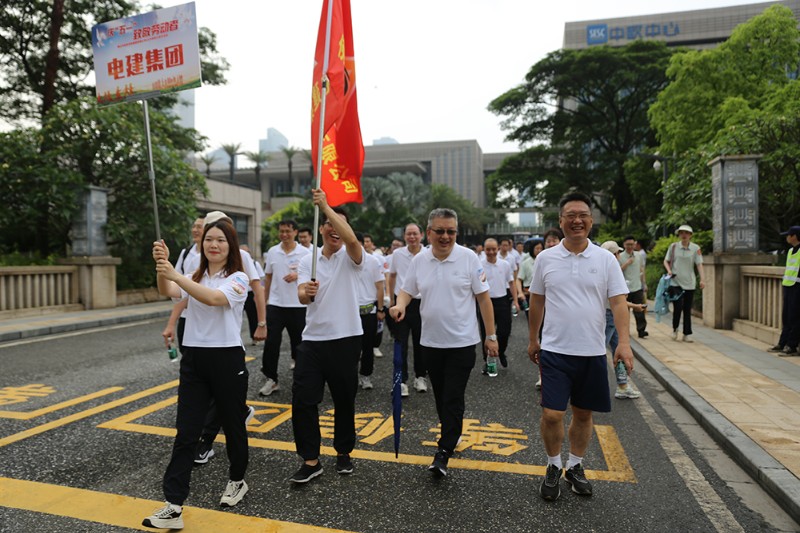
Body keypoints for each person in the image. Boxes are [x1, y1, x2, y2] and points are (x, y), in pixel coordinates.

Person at [144, 219, 251, 529]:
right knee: (186, 432)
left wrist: (175, 274)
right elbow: (169, 291)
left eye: (220, 240)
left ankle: (237, 480)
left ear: (230, 245)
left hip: (227, 358)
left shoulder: (238, 277)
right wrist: (162, 266)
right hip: (194, 358)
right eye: (208, 240)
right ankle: (173, 505)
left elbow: (214, 299)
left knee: (233, 425)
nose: (213, 244)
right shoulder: (195, 274)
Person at [527, 192, 632, 502]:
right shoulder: (546, 258)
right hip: (555, 351)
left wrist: (624, 343)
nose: (577, 220)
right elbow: (537, 300)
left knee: (584, 414)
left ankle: (574, 465)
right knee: (552, 414)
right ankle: (553, 464)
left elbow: (619, 302)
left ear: (591, 220)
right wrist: (533, 339)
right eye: (570, 215)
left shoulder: (605, 259)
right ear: (560, 221)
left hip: (592, 351)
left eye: (583, 215)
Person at [390, 208, 498, 477]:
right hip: (431, 342)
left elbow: (484, 299)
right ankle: (452, 431)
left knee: (453, 396)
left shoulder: (468, 258)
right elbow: (406, 290)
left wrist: (491, 336)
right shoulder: (420, 260)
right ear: (429, 233)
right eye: (440, 231)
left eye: (451, 231)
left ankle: (443, 451)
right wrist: (400, 305)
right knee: (441, 395)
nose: (446, 236)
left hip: (462, 342)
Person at [290, 189, 363, 484]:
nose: (334, 229)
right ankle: (310, 459)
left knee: (344, 400)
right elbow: (301, 295)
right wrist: (305, 292)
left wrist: (327, 208)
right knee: (303, 400)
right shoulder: (308, 260)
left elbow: (352, 240)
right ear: (320, 229)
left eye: (340, 224)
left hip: (346, 338)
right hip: (313, 340)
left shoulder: (352, 256)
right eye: (329, 224)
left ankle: (343, 451)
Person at [259, 219, 310, 396]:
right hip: (276, 304)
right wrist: (265, 302)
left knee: (299, 344)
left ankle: (302, 379)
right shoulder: (273, 251)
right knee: (271, 343)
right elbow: (268, 278)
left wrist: (297, 275)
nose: (284, 234)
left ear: (295, 232)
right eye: (281, 231)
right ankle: (271, 379)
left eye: (288, 231)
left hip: (298, 305)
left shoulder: (305, 253)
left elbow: (313, 276)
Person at [389, 223, 428, 396]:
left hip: (422, 303)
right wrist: (391, 299)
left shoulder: (428, 254)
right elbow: (392, 276)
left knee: (421, 343)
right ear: (404, 236)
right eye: (408, 234)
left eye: (415, 234)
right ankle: (401, 381)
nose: (412, 237)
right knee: (401, 343)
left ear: (422, 235)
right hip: (402, 303)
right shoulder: (398, 254)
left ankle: (420, 377)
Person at [601, 241, 644, 399]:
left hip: (611, 316)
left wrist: (634, 305)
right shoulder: (608, 272)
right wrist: (634, 306)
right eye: (617, 253)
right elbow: (616, 301)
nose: (619, 256)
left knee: (618, 352)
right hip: (609, 316)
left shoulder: (604, 270)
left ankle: (623, 385)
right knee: (598, 352)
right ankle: (586, 385)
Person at [161, 217, 204, 355]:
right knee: (187, 357)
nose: (195, 230)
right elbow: (174, 287)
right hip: (186, 317)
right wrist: (171, 324)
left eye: (200, 227)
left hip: (205, 320)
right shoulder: (186, 253)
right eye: (194, 226)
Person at [479, 238, 518, 369]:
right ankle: (487, 361)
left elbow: (511, 283)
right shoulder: (479, 264)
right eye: (488, 249)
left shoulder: (505, 264)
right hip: (485, 301)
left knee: (504, 331)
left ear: (498, 249)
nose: (491, 252)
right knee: (486, 333)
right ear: (484, 249)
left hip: (502, 301)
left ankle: (500, 352)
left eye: (493, 249)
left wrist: (516, 301)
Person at [354, 232, 386, 389]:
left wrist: (380, 309)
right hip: (349, 312)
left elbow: (380, 287)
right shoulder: (343, 261)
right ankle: (349, 377)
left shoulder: (373, 261)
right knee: (350, 347)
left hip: (369, 312)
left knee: (367, 347)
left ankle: (365, 376)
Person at [663, 225, 706, 342]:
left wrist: (702, 279)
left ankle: (687, 333)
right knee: (677, 307)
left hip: (690, 283)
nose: (684, 235)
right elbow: (666, 261)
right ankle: (675, 329)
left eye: (686, 233)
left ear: (690, 235)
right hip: (675, 282)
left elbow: (699, 264)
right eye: (681, 233)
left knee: (687, 309)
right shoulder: (673, 247)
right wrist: (669, 270)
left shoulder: (695, 248)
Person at [769, 226, 800, 356]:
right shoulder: (791, 251)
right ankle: (782, 343)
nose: (787, 237)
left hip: (797, 288)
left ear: (794, 236)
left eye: (789, 235)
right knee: (786, 317)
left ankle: (792, 346)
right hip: (788, 286)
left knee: (795, 317)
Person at [620, 236, 648, 339]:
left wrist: (644, 283)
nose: (630, 247)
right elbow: (617, 271)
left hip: (637, 287)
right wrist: (626, 263)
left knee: (639, 309)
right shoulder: (620, 256)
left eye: (632, 244)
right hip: (625, 288)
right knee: (624, 311)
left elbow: (642, 269)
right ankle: (625, 331)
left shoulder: (639, 255)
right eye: (628, 244)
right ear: (624, 245)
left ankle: (641, 330)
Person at [240, 244, 265, 345]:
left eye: (246, 252)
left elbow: (261, 278)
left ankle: (255, 337)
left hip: (250, 293)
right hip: (237, 293)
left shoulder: (254, 264)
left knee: (252, 316)